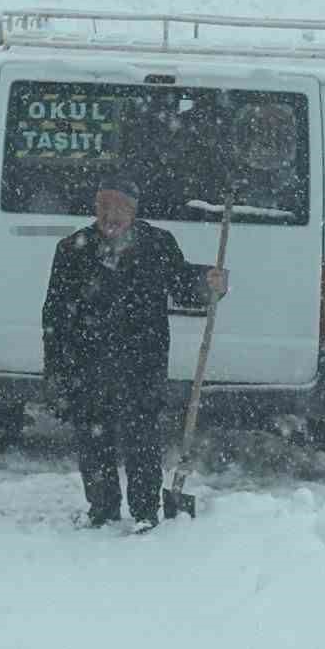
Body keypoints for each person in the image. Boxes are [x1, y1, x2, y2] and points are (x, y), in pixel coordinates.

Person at [41, 175, 229, 529]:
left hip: (141, 363)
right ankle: (102, 511)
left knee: (142, 443)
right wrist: (56, 371)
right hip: (88, 365)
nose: (111, 216)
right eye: (103, 207)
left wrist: (208, 282)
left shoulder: (157, 244)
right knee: (94, 444)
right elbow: (54, 316)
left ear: (133, 211)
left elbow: (183, 285)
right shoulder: (72, 250)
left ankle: (145, 513)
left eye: (120, 209)